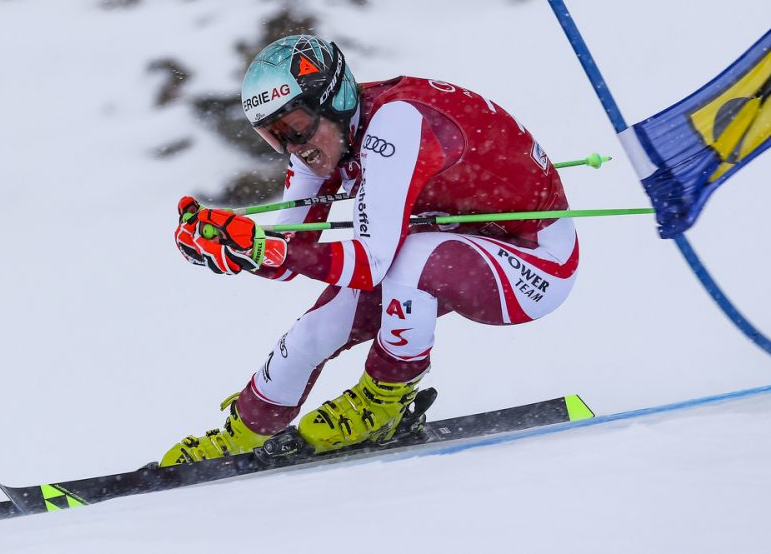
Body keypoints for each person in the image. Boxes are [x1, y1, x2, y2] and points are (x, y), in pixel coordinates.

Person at [165, 34, 578, 465]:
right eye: (274, 136)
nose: (292, 148)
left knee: (412, 257)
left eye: (295, 126)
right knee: (315, 329)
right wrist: (232, 245)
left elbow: (369, 262)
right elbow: (287, 255)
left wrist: (266, 251)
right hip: (451, 249)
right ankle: (241, 435)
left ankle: (384, 401)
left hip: (535, 264)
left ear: (335, 100)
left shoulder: (395, 123)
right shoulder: (325, 140)